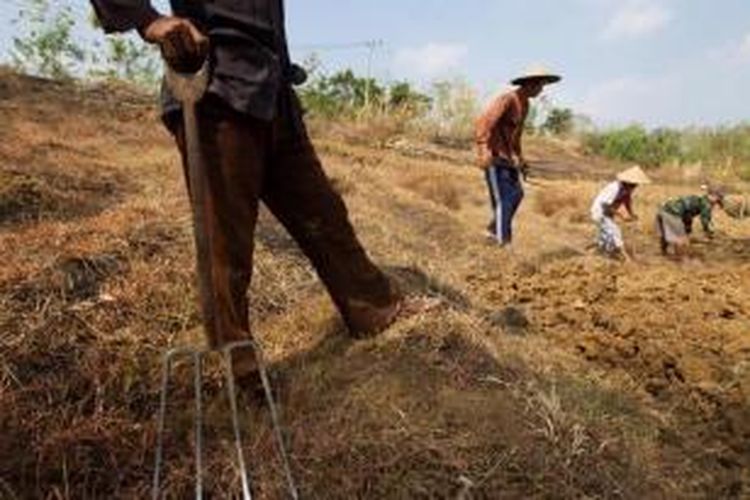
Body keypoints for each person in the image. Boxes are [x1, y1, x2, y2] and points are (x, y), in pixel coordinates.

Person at [89, 1, 405, 384]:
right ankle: (236, 363)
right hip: (215, 87)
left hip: (272, 91)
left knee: (325, 215)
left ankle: (374, 307)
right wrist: (148, 21)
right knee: (226, 239)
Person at [475, 65, 562, 246]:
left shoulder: (525, 105)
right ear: (530, 84)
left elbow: (516, 136)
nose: (542, 90)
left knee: (517, 195)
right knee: (503, 200)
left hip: (507, 158)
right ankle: (502, 242)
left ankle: (493, 231)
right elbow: (484, 123)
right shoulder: (508, 99)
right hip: (494, 157)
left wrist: (521, 159)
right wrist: (483, 151)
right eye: (540, 86)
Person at [590, 166, 651, 260]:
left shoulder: (626, 189)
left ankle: (601, 254)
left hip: (607, 213)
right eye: (634, 184)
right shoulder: (614, 188)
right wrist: (621, 215)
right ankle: (626, 258)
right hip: (599, 211)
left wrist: (631, 214)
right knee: (615, 232)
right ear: (628, 182)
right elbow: (605, 205)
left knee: (606, 236)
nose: (635, 186)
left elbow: (627, 202)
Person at [656, 187, 724, 256]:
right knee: (680, 238)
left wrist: (688, 229)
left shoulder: (697, 198)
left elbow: (687, 215)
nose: (716, 203)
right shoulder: (706, 204)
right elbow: (705, 220)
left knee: (665, 234)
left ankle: (664, 252)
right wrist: (709, 233)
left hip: (662, 210)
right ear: (713, 195)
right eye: (718, 198)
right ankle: (680, 259)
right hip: (673, 213)